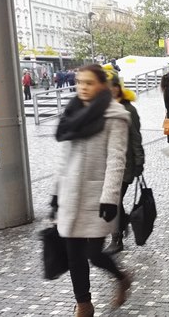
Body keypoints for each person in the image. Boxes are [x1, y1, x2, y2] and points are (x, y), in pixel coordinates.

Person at [50, 64, 132, 316]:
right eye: (79, 82)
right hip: (70, 193)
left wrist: (110, 199)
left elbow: (116, 159)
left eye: (88, 82)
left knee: (94, 254)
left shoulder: (114, 115)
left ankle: (121, 278)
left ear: (101, 85)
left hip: (97, 197)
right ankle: (83, 304)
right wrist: (55, 194)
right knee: (74, 253)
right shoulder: (72, 113)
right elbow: (64, 159)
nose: (82, 87)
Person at [103, 68, 145, 255]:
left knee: (114, 200)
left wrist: (139, 163)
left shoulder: (128, 109)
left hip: (125, 164)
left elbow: (136, 137)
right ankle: (122, 222)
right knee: (113, 201)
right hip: (107, 164)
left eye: (113, 87)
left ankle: (116, 238)